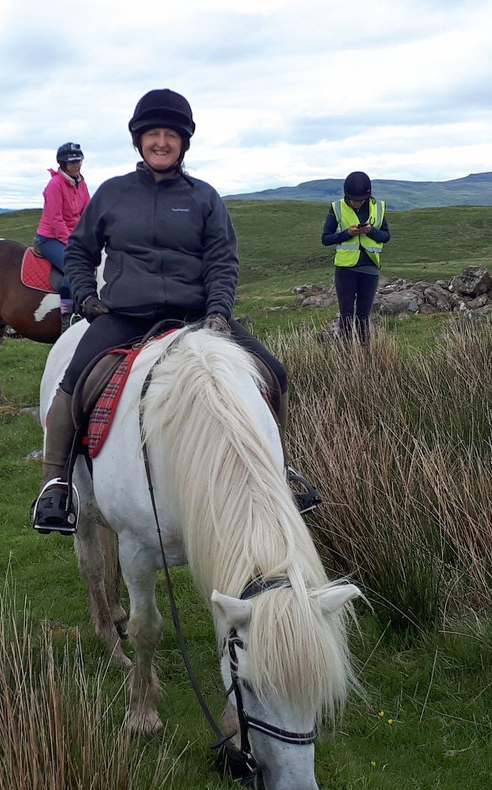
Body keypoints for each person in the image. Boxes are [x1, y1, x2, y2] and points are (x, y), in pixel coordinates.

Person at [31, 88, 320, 535]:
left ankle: (279, 475)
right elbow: (79, 252)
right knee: (72, 382)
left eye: (171, 135)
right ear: (138, 141)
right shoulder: (111, 194)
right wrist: (87, 298)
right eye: (152, 134)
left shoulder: (204, 198)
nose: (161, 142)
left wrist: (219, 313)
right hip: (125, 314)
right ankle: (56, 485)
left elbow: (223, 261)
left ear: (184, 143)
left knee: (274, 374)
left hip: (197, 317)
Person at [320, 171, 390, 344]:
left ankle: (364, 353)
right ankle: (346, 354)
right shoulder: (336, 207)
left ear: (367, 196)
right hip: (345, 269)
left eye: (359, 200)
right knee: (346, 313)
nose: (356, 203)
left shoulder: (378, 207)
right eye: (352, 199)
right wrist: (347, 233)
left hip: (370, 268)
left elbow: (386, 236)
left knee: (363, 315)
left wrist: (371, 231)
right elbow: (326, 238)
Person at [34, 142, 91, 328]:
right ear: (63, 164)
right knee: (73, 267)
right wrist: (73, 244)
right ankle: (66, 316)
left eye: (78, 161)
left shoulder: (81, 184)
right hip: (50, 238)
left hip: (73, 237)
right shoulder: (54, 185)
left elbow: (87, 212)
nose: (76, 165)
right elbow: (55, 221)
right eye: (72, 162)